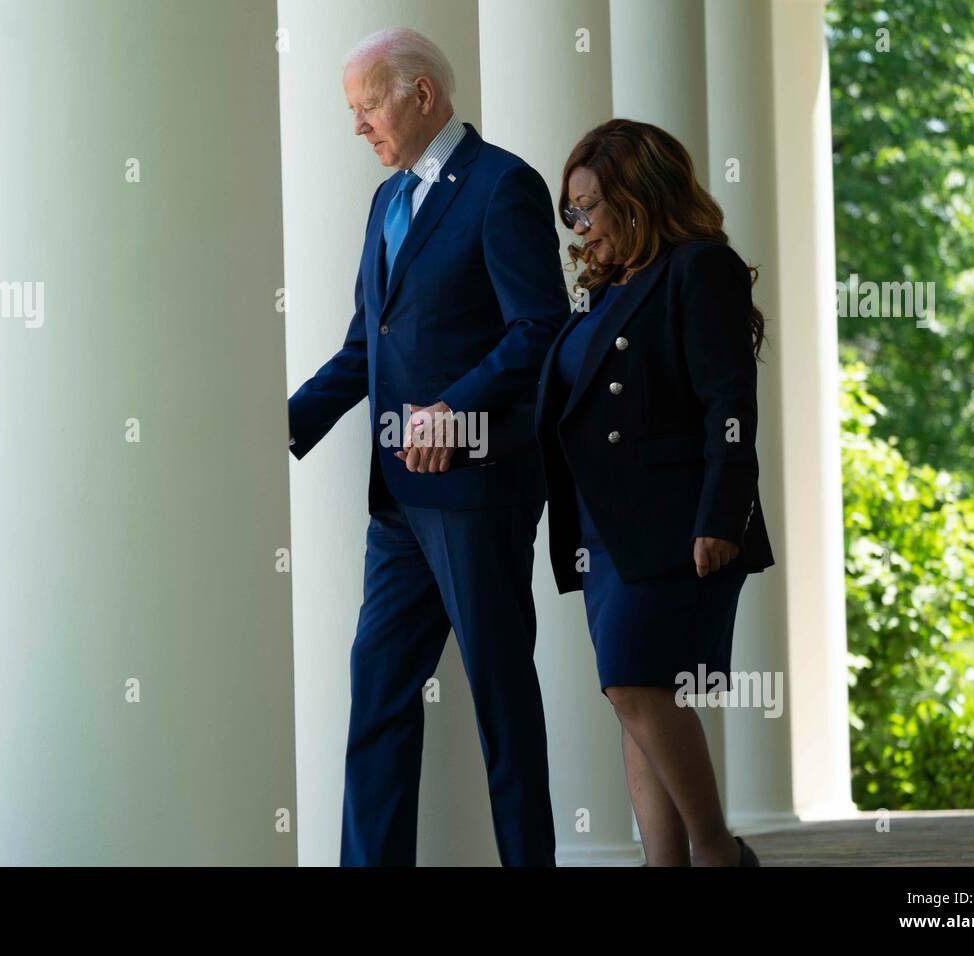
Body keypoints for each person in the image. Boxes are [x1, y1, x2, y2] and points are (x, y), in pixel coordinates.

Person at [286, 27, 569, 866]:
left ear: (421, 95)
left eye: (367, 105)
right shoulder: (385, 202)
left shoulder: (504, 186)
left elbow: (540, 326)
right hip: (398, 507)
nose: (358, 127)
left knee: (501, 703)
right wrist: (276, 427)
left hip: (480, 494)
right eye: (351, 110)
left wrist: (456, 408)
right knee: (376, 699)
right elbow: (363, 351)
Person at [534, 119, 776, 867]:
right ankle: (665, 861)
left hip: (679, 525)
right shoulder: (605, 291)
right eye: (570, 211)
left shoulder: (700, 269)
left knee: (642, 688)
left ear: (639, 199)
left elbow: (729, 404)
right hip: (605, 535)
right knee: (632, 698)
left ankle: (716, 852)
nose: (579, 225)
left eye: (590, 207)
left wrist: (720, 515)